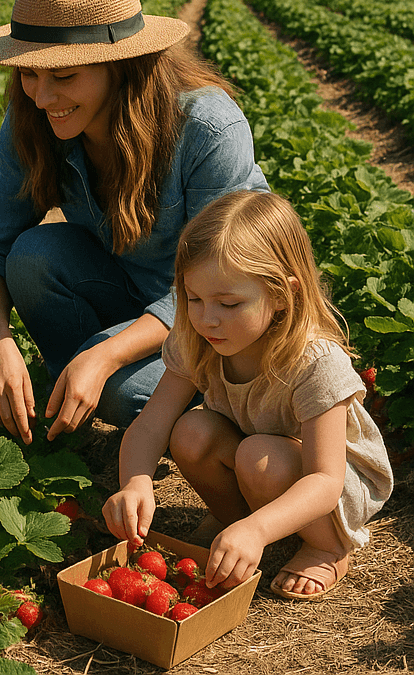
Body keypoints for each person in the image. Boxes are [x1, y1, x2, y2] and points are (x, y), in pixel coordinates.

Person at [0, 0, 269, 443]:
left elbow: (224, 279)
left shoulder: (207, 129)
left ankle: (216, 418)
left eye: (63, 77)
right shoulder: (32, 122)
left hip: (217, 319)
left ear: (121, 66)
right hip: (128, 294)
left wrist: (104, 355)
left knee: (123, 394)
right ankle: (70, 401)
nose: (42, 97)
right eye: (29, 73)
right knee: (32, 257)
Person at [103, 190, 392, 599]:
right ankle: (237, 523)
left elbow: (326, 480)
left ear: (281, 294)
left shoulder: (314, 361)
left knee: (259, 459)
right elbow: (151, 424)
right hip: (261, 457)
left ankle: (326, 548)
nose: (207, 318)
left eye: (229, 303)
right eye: (194, 299)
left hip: (333, 483)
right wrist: (134, 482)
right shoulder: (197, 338)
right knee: (191, 431)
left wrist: (258, 529)